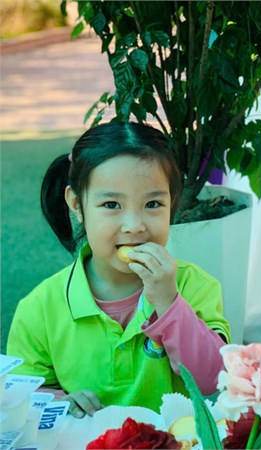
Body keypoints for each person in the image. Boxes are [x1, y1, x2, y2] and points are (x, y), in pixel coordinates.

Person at [7, 121, 230, 417]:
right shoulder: (40, 309)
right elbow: (22, 398)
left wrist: (169, 303)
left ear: (172, 203)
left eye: (153, 204)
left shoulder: (195, 286)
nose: (134, 225)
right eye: (112, 204)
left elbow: (213, 379)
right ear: (77, 204)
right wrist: (60, 402)